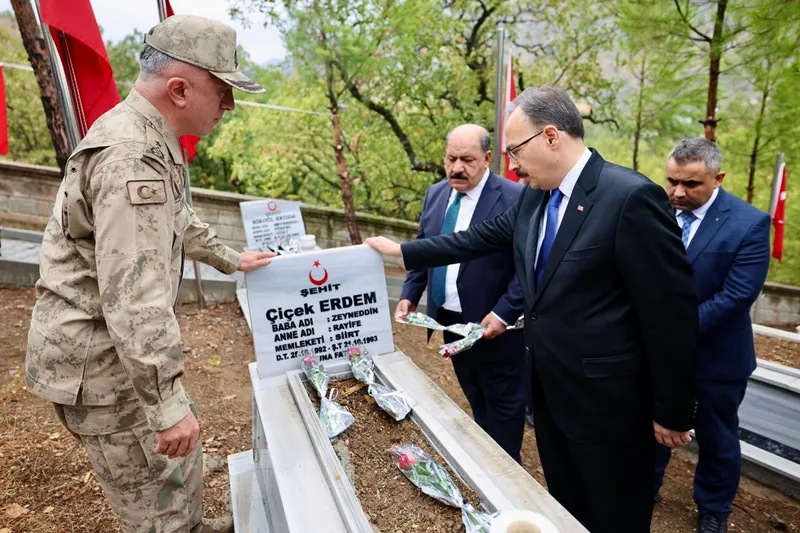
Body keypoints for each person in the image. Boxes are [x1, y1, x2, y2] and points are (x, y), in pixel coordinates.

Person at [365, 85, 698, 533]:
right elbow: (475, 239)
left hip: (610, 407)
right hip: (549, 391)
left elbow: (670, 312)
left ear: (551, 137)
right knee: (566, 508)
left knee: (613, 513)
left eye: (515, 151)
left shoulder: (629, 198)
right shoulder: (535, 197)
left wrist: (673, 409)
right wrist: (402, 252)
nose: (512, 165)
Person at [25, 15, 273, 533]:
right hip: (101, 366)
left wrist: (232, 257)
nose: (229, 105)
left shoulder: (147, 134)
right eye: (223, 91)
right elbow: (134, 297)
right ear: (179, 89)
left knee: (176, 467)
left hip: (115, 356)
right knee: (157, 506)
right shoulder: (133, 156)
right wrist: (165, 403)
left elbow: (177, 217)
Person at [654, 139, 771, 533]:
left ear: (718, 178)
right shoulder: (656, 211)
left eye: (691, 185)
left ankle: (714, 508)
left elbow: (736, 296)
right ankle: (646, 486)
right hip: (658, 354)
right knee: (652, 423)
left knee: (717, 437)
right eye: (672, 181)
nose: (678, 193)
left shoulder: (748, 223)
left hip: (717, 356)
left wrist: (671, 332)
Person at [398, 124, 527, 461]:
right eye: (451, 158)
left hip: (496, 328)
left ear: (487, 158)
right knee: (476, 396)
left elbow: (526, 268)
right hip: (449, 324)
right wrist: (411, 293)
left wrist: (504, 312)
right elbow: (425, 248)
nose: (457, 168)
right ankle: (486, 463)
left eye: (467, 160)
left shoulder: (515, 198)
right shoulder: (436, 194)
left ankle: (507, 475)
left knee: (503, 408)